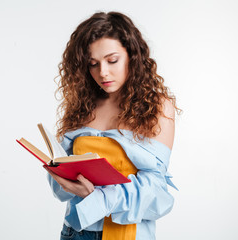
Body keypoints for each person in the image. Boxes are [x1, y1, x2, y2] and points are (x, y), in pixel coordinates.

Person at [45, 11, 180, 240]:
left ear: (132, 56)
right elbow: (63, 188)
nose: (103, 72)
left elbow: (156, 191)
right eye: (93, 64)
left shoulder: (157, 107)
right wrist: (58, 174)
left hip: (129, 234)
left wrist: (97, 196)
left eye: (112, 60)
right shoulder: (82, 106)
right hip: (76, 232)